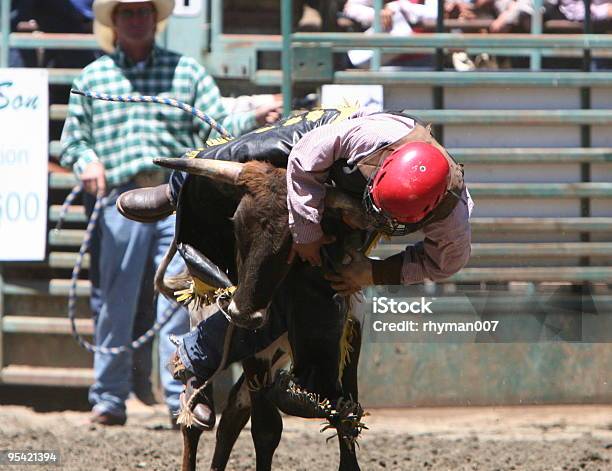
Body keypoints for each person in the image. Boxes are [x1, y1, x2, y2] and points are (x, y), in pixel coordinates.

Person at [119, 108, 473, 428]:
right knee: (247, 153)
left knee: (322, 283)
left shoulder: (452, 216)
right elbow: (305, 157)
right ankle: (177, 190)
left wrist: (372, 272)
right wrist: (306, 231)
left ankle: (311, 383)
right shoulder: (369, 137)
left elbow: (445, 263)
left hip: (355, 215)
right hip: (319, 147)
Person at [60, 0, 281, 427]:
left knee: (180, 299)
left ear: (154, 20)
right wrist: (87, 161)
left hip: (178, 200)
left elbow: (214, 121)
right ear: (116, 22)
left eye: (144, 11)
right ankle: (109, 397)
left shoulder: (186, 72)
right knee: (117, 300)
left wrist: (252, 110)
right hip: (122, 198)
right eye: (129, 13)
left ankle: (180, 395)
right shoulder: (94, 77)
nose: (137, 19)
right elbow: (73, 140)